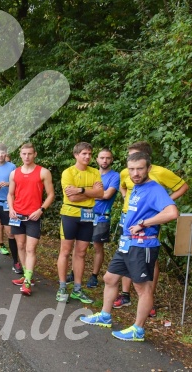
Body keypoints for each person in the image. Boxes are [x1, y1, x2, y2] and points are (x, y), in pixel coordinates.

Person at [80, 152, 179, 341]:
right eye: (131, 169)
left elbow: (172, 212)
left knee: (143, 288)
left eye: (140, 168)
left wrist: (144, 223)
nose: (135, 173)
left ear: (148, 168)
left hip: (143, 245)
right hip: (127, 243)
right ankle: (105, 316)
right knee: (110, 278)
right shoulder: (137, 188)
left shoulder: (154, 189)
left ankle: (138, 330)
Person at [114, 141, 188, 317]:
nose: (134, 168)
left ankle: (148, 300)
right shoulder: (127, 172)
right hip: (128, 218)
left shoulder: (159, 174)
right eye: (130, 159)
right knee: (126, 255)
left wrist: (162, 203)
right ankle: (125, 295)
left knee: (147, 258)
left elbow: (183, 187)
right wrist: (126, 198)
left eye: (137, 158)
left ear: (146, 161)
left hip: (148, 222)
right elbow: (123, 186)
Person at [56, 142, 104, 303]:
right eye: (84, 154)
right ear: (76, 155)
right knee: (66, 251)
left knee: (81, 253)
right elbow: (72, 197)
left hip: (88, 216)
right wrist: (91, 192)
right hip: (70, 214)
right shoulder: (68, 172)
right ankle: (62, 286)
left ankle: (77, 288)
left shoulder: (95, 172)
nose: (87, 157)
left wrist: (81, 190)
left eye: (90, 154)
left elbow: (101, 193)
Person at [7, 143, 55, 296]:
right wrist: (11, 209)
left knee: (30, 248)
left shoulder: (43, 172)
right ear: (20, 155)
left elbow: (51, 194)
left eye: (29, 154)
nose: (26, 157)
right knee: (20, 246)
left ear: (35, 154)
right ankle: (27, 275)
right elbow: (10, 194)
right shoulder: (14, 173)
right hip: (17, 215)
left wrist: (41, 210)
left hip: (33, 216)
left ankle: (27, 282)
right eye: (24, 154)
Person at [68, 148, 120, 288]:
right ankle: (73, 273)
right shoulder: (91, 173)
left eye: (108, 158)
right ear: (96, 159)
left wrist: (85, 192)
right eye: (102, 157)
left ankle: (94, 276)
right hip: (84, 213)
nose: (105, 160)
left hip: (102, 216)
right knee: (78, 245)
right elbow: (74, 196)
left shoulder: (115, 176)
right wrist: (94, 192)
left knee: (98, 246)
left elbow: (107, 195)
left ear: (112, 160)